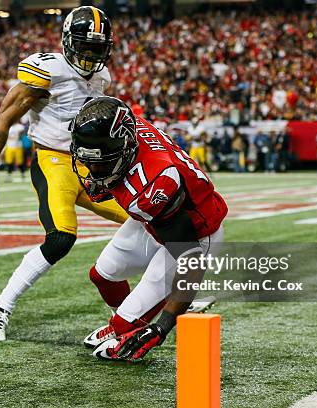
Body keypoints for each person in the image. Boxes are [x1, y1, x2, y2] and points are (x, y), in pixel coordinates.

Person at [0, 7, 128, 342]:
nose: (89, 55)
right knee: (61, 237)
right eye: (83, 46)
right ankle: (1, 305)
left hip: (90, 168)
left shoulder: (102, 78)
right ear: (67, 41)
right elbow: (3, 118)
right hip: (53, 162)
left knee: (149, 218)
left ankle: (132, 311)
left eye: (96, 48)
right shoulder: (48, 70)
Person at [70, 97, 228, 361]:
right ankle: (123, 322)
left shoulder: (153, 185)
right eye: (88, 161)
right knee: (102, 275)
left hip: (195, 234)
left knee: (126, 330)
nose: (93, 170)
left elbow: (191, 260)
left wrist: (162, 326)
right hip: (154, 219)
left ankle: (127, 325)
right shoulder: (128, 131)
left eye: (101, 162)